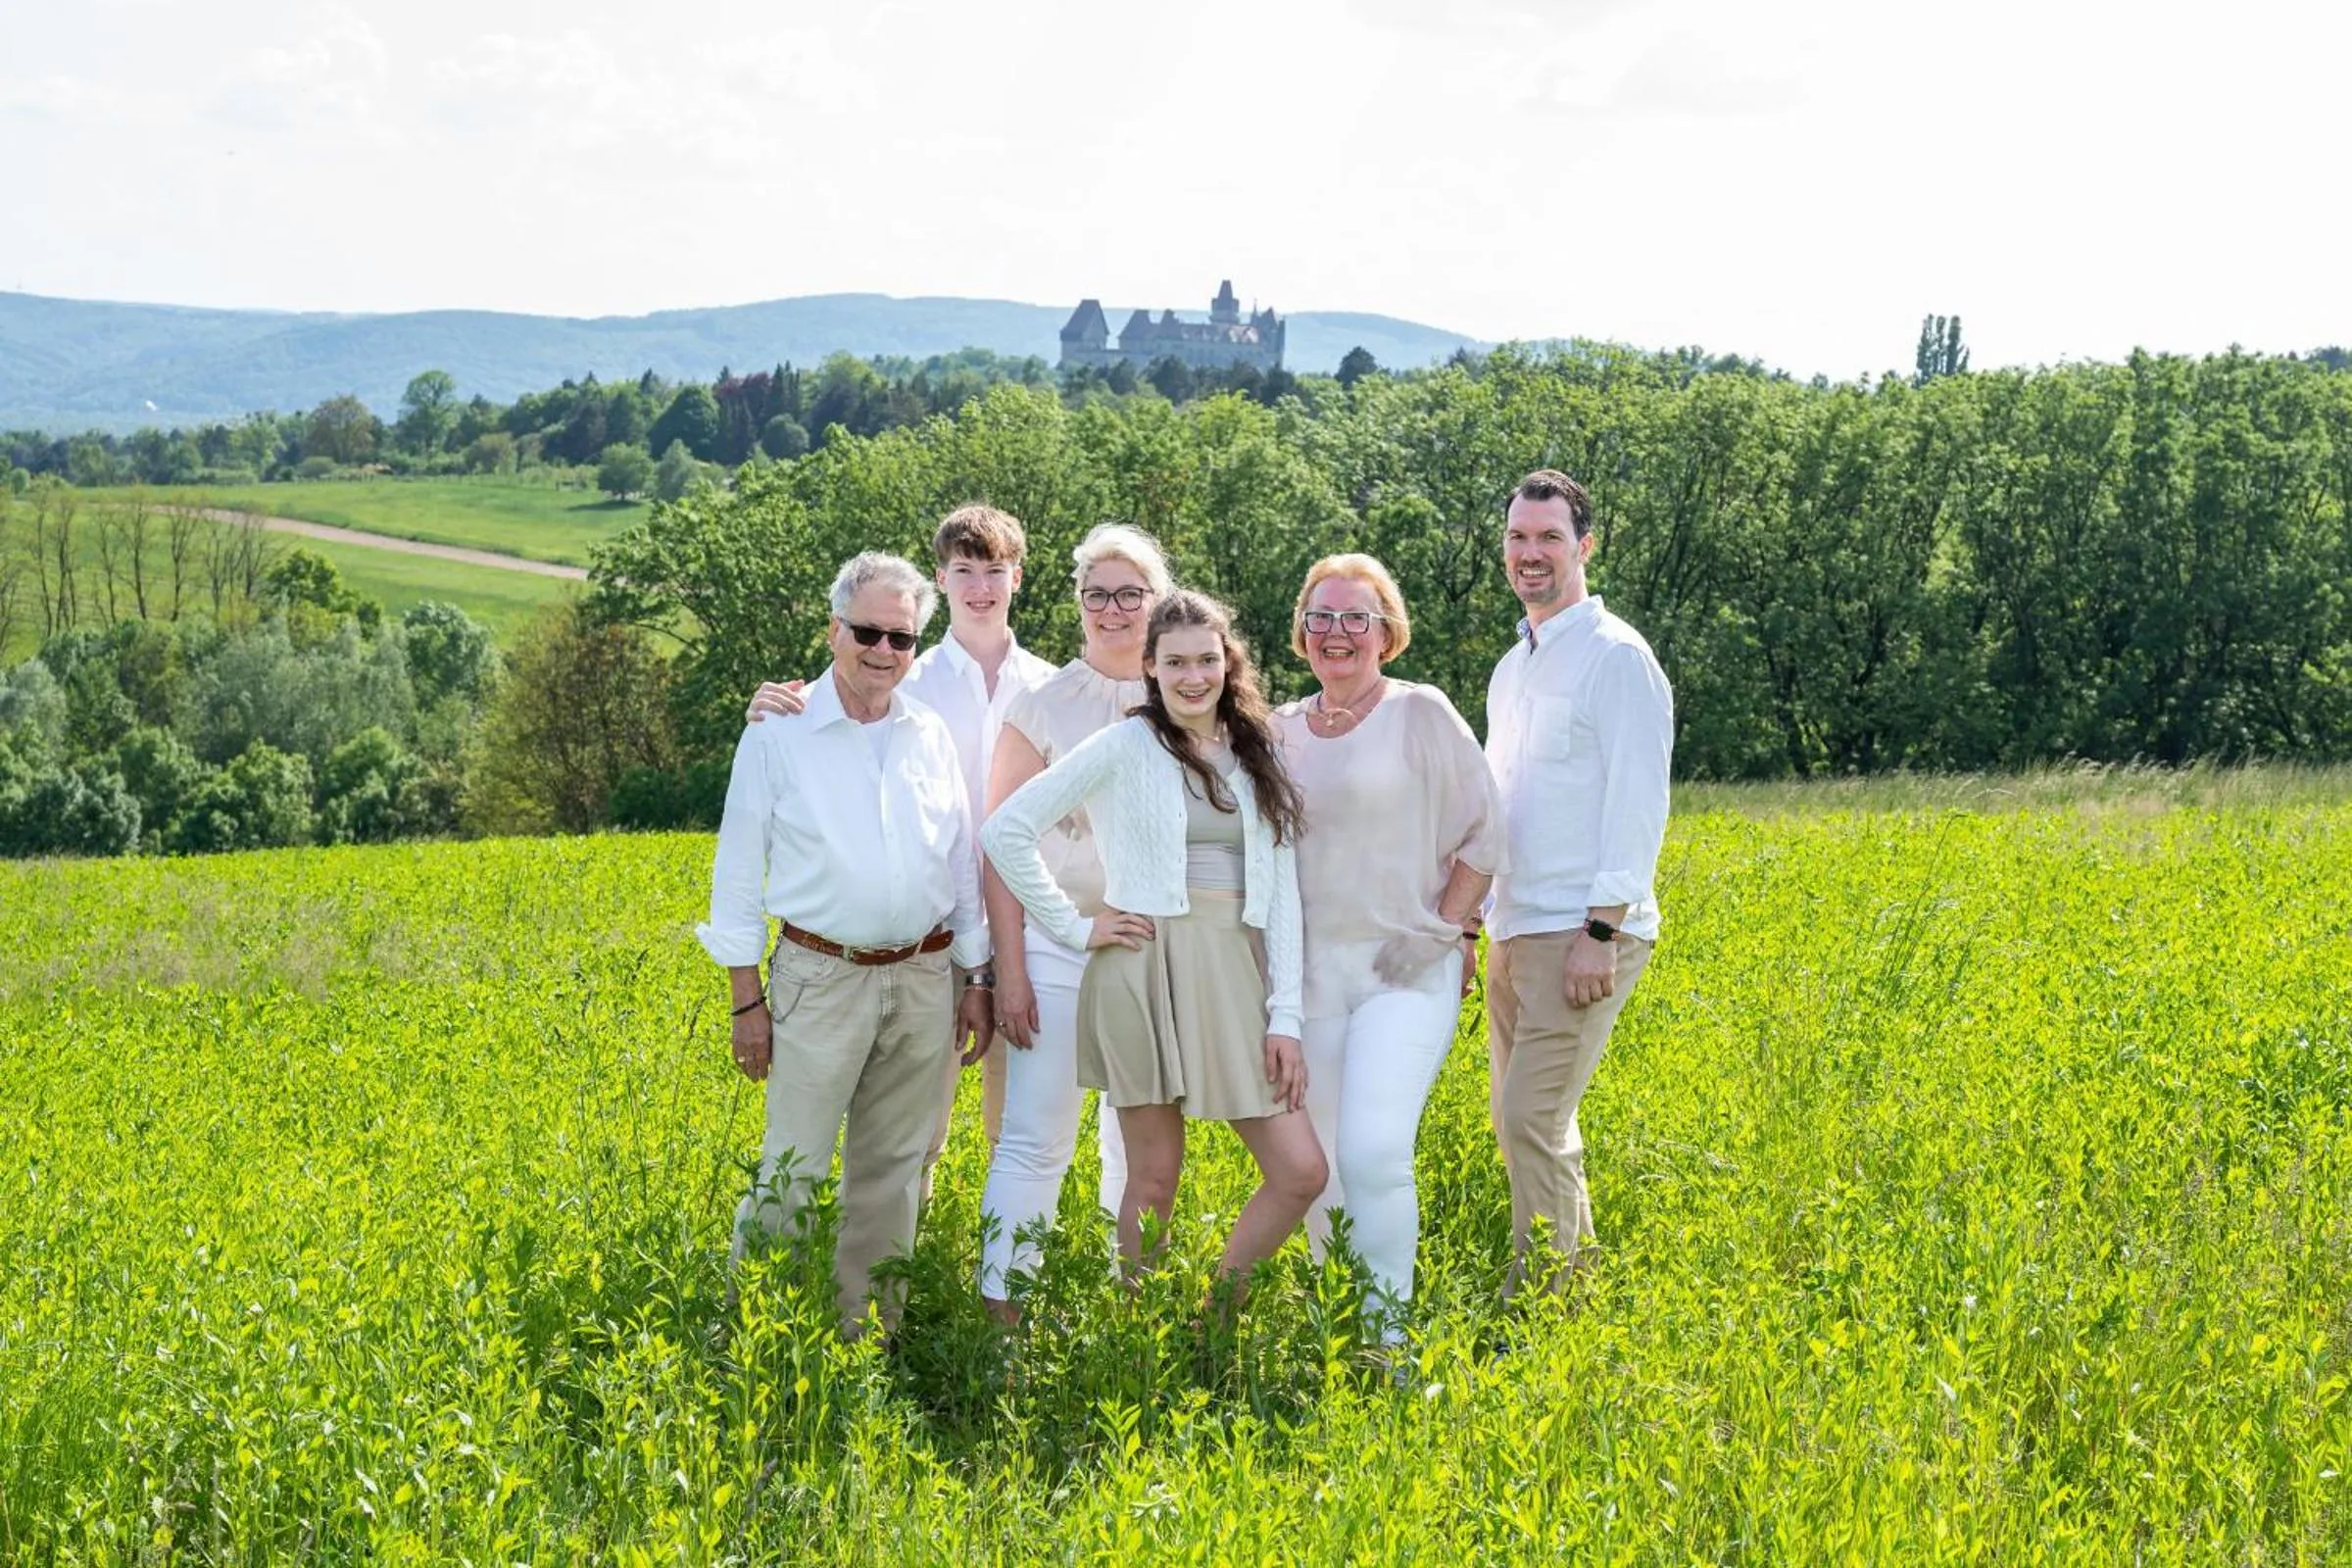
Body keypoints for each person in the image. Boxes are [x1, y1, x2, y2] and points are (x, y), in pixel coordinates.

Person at [983, 590, 1325, 1300]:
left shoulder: (1257, 751)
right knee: (1154, 1177)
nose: (1193, 676)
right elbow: (1005, 830)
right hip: (1140, 972)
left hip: (1234, 971)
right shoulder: (1123, 745)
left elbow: (1283, 894)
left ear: (1229, 664)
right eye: (1175, 662)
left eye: (1207, 660)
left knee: (1300, 1171)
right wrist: (1077, 928)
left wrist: (1284, 1017)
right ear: (1151, 667)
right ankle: (1142, 1336)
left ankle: (1212, 1318)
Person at [701, 551, 995, 1335]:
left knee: (894, 1174)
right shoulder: (777, 732)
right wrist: (745, 1002)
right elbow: (735, 875)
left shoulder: (927, 731)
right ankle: (754, 1341)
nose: (883, 652)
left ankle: (864, 1343)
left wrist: (975, 977)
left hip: (927, 977)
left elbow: (959, 864)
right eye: (867, 632)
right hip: (818, 977)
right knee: (789, 1171)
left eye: (901, 639)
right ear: (834, 631)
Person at [746, 506, 1055, 1187]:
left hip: (1035, 931)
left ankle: (994, 1272)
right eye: (965, 571)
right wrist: (768, 706)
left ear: (1019, 578)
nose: (981, 587)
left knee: (1024, 1129)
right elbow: (832, 710)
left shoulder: (1051, 685)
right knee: (918, 1137)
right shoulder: (902, 675)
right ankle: (900, 1269)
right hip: (936, 936)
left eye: (995, 571)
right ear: (941, 580)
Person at [1276, 554, 1504, 1341]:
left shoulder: (1421, 712)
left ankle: (1388, 1343)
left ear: (1387, 632)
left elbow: (1485, 832)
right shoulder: (1275, 730)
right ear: (1302, 632)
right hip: (1308, 984)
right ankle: (1330, 1328)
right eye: (1321, 617)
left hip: (1406, 970)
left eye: (1355, 618)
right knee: (1324, 1170)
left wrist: (1450, 927)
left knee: (1372, 1150)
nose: (1337, 633)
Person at [969, 524, 1173, 1320]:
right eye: (1098, 595)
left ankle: (1134, 1313)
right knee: (1034, 1138)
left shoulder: (1185, 695)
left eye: (1131, 594)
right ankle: (1004, 1322)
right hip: (1057, 950)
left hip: (1154, 953)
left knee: (1139, 1143)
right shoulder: (1044, 703)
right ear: (1077, 603)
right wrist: (1008, 969)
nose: (1114, 609)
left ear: (1157, 603)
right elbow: (1000, 843)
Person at [1484, 469, 1674, 1294]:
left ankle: (1549, 1305)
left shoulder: (1616, 658)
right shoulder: (1512, 667)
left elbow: (1639, 802)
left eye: (1549, 538)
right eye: (1520, 538)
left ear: (1585, 547)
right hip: (1516, 925)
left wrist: (1602, 930)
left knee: (1531, 1116)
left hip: (1581, 930)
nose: (1532, 554)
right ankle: (1575, 1291)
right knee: (1529, 1123)